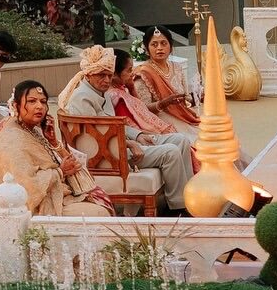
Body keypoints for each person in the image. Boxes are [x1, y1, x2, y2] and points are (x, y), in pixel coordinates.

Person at [58, 45, 193, 213]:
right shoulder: (82, 98)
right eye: (101, 75)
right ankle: (178, 208)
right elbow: (98, 136)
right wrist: (130, 144)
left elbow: (114, 124)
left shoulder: (100, 91)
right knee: (170, 152)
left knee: (181, 140)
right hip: (108, 156)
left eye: (109, 75)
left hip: (118, 146)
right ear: (88, 74)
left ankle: (190, 198)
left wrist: (139, 135)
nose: (107, 80)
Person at [0, 80, 112, 216]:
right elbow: (27, 186)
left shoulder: (31, 129)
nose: (39, 106)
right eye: (32, 101)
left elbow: (73, 165)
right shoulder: (12, 140)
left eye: (43, 102)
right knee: (99, 213)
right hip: (33, 208)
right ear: (16, 105)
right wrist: (61, 172)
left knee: (99, 197)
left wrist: (54, 142)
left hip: (56, 193)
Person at [110, 49, 197, 175]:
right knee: (179, 147)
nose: (132, 73)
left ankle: (188, 185)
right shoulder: (115, 96)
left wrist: (132, 88)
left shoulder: (122, 89)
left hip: (153, 127)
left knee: (183, 139)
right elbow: (131, 123)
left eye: (164, 43)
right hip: (141, 136)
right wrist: (144, 135)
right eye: (129, 70)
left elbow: (141, 109)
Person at [133, 26, 201, 138]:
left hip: (183, 116)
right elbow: (142, 110)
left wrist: (197, 97)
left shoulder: (177, 68)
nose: (159, 48)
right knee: (195, 140)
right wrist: (163, 103)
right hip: (161, 120)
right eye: (154, 44)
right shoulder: (144, 73)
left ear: (170, 46)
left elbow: (186, 99)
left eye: (164, 43)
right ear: (147, 48)